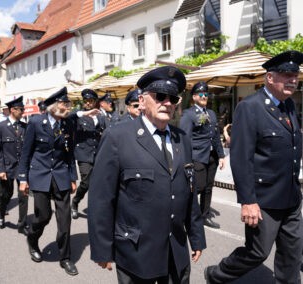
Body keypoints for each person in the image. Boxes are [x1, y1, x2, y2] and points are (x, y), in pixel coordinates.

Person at [88, 66, 206, 283]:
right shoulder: (118, 137)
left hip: (175, 249)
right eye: (160, 96)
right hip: (136, 252)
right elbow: (101, 198)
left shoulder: (182, 139)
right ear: (142, 101)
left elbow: (189, 193)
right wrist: (102, 248)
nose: (167, 103)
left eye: (173, 98)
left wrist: (196, 237)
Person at [205, 51, 303, 284]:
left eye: (295, 75)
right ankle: (217, 275)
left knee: (292, 254)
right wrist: (248, 201)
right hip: (264, 199)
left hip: (290, 196)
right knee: (257, 252)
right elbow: (241, 158)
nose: (293, 79)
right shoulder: (250, 107)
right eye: (286, 75)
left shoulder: (289, 105)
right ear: (270, 77)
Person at [18, 87, 79, 276]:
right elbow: (26, 152)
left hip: (61, 175)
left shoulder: (68, 124)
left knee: (65, 219)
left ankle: (65, 258)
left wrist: (73, 177)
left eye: (68, 104)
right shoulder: (36, 122)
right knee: (43, 216)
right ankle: (32, 238)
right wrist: (22, 178)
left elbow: (70, 153)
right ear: (53, 106)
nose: (67, 107)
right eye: (64, 104)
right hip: (40, 175)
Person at [179, 81, 225, 229]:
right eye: (201, 94)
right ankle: (184, 214)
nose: (205, 96)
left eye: (206, 94)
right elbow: (185, 138)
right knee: (198, 187)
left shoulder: (211, 113)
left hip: (212, 156)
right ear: (194, 97)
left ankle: (204, 216)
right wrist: (186, 159)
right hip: (197, 155)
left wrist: (222, 155)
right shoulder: (189, 114)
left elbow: (216, 135)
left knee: (209, 187)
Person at [0, 96, 28, 234]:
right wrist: (0, 169)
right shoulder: (1, 127)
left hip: (22, 168)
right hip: (7, 168)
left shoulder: (25, 126)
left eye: (23, 109)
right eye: (21, 109)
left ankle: (22, 223)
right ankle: (1, 214)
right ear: (12, 110)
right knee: (5, 195)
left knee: (23, 195)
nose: (23, 111)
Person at [70, 88, 106, 219]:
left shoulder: (101, 117)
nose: (88, 103)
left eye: (91, 101)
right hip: (84, 154)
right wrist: (85, 113)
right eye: (86, 101)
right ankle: (75, 202)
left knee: (99, 182)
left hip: (98, 154)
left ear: (95, 101)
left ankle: (96, 207)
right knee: (86, 182)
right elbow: (69, 117)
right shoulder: (78, 116)